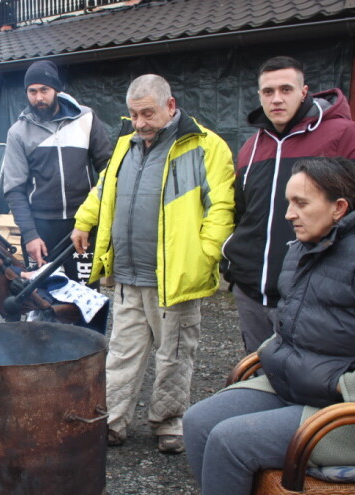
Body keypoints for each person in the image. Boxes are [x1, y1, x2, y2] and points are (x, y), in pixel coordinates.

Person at [184, 156, 355, 495]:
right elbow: (296, 326)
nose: (289, 213)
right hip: (302, 388)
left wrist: (347, 386)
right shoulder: (305, 250)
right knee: (198, 422)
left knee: (229, 442)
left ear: (339, 207)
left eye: (301, 203)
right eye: (290, 202)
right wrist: (272, 354)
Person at [222, 55, 355, 354]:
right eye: (268, 92)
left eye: (286, 89)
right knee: (260, 373)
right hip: (251, 293)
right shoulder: (252, 147)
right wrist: (231, 263)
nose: (277, 99)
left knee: (305, 376)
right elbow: (243, 213)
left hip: (310, 290)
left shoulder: (341, 135)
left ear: (304, 91)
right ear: (259, 96)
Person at [71, 74, 235, 454]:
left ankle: (168, 422)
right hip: (128, 274)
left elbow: (222, 208)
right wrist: (84, 220)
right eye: (134, 115)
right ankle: (110, 421)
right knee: (122, 352)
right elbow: (103, 188)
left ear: (171, 105)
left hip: (174, 279)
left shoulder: (205, 146)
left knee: (174, 355)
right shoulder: (125, 146)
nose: (141, 123)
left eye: (148, 113)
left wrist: (204, 256)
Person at [3, 59, 111, 284]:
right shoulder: (18, 132)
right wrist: (30, 235)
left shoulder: (86, 119)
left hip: (81, 225)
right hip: (40, 227)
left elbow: (108, 169)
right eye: (32, 91)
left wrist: (95, 209)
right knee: (41, 295)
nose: (39, 97)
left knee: (86, 293)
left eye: (44, 90)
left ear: (57, 90)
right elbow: (14, 189)